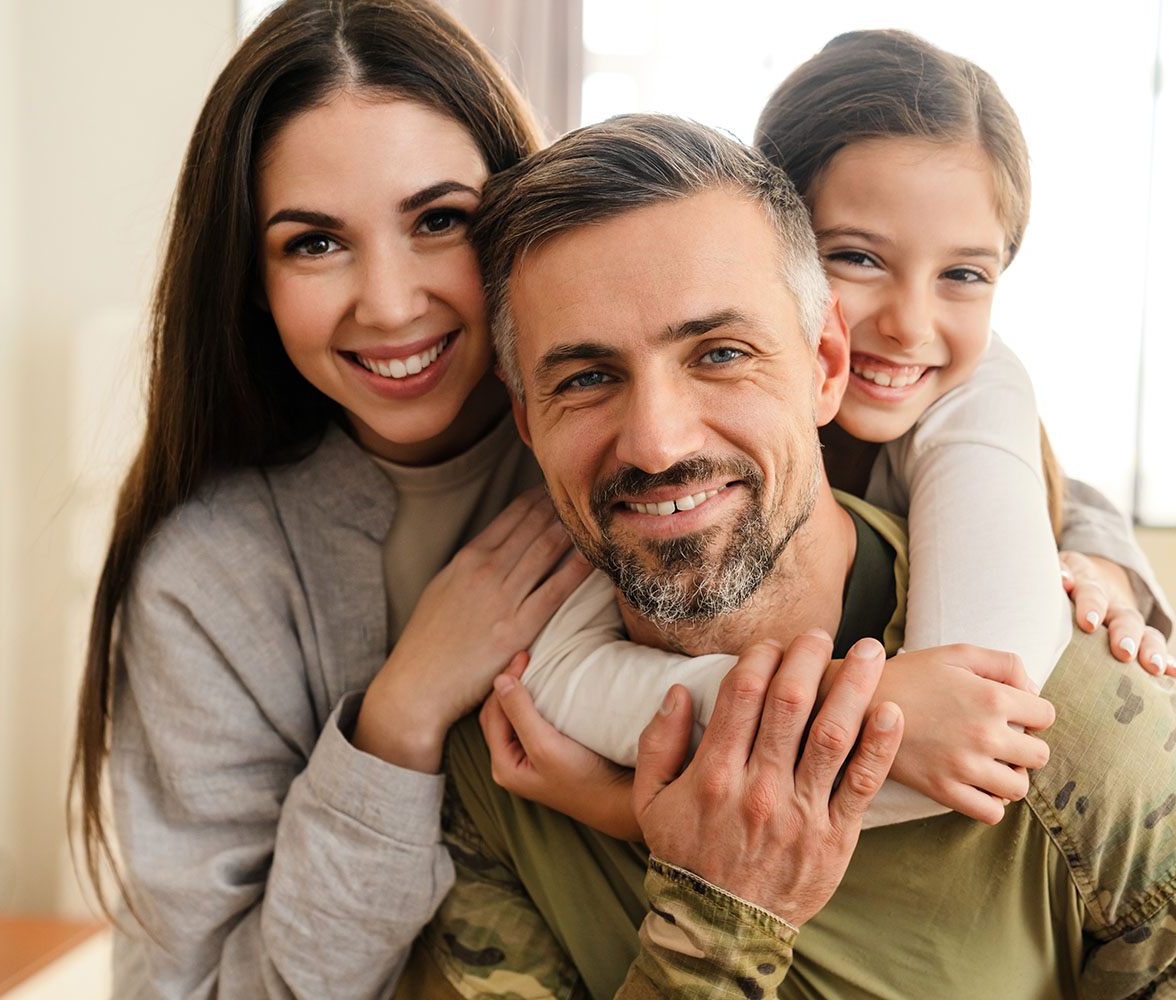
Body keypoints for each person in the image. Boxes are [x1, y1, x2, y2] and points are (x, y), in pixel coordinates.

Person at [407, 113, 1176, 998]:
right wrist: (719, 920)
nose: (656, 443)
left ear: (826, 363)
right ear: (525, 419)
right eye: (585, 378)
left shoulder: (1088, 735)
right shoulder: (506, 757)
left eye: (721, 354)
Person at [484, 28, 1174, 833]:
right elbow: (561, 676)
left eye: (964, 273)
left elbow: (972, 727)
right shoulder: (649, 445)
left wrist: (630, 809)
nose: (911, 325)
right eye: (859, 258)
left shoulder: (974, 390)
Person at [65, 2, 595, 997]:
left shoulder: (647, 450)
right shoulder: (207, 577)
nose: (389, 303)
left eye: (440, 221)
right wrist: (397, 722)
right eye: (314, 243)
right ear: (250, 281)